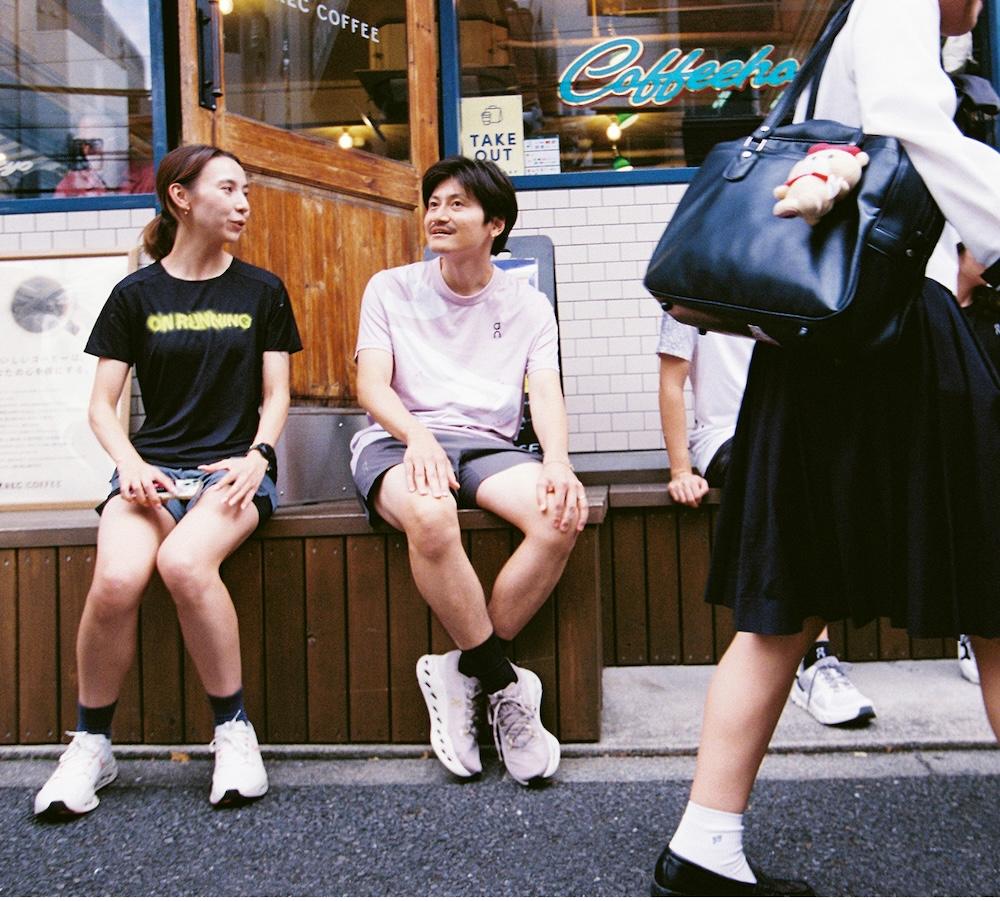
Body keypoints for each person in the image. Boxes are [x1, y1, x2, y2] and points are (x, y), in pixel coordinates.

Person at [649, 0, 1000, 895]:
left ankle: (704, 840)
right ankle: (702, 843)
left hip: (815, 350)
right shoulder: (897, 6)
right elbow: (906, 119)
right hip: (895, 345)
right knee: (994, 591)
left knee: (786, 600)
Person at [33, 144, 303, 817]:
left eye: (247, 190)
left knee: (185, 562)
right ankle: (92, 744)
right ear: (181, 197)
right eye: (228, 188)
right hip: (152, 471)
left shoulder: (262, 290)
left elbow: (276, 394)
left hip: (231, 471)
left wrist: (257, 455)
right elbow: (101, 404)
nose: (243, 202)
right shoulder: (136, 295)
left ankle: (233, 733)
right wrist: (129, 463)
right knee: (119, 578)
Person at [350, 156, 588, 785]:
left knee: (558, 518)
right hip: (397, 439)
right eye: (433, 202)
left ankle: (463, 670)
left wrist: (559, 464)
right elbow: (371, 385)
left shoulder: (528, 304)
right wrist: (416, 434)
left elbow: (546, 388)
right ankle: (504, 684)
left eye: (457, 204)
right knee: (430, 515)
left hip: (489, 444)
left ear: (495, 224)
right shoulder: (391, 287)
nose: (438, 214)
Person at [657, 317, 876, 727]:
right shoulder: (698, 275)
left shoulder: (792, 274)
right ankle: (815, 660)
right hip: (725, 435)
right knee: (788, 476)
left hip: (793, 430)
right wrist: (680, 470)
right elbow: (672, 381)